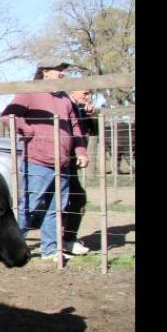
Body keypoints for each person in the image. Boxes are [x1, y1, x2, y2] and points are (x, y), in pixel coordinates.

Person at [0, 59, 89, 261]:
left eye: (63, 70)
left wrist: (81, 151)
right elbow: (7, 116)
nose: (62, 74)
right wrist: (28, 130)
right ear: (45, 72)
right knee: (29, 206)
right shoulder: (29, 91)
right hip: (38, 161)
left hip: (63, 162)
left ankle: (50, 250)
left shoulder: (64, 99)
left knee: (56, 207)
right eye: (59, 70)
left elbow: (75, 127)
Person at [61, 89, 99, 256]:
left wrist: (92, 116)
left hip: (71, 162)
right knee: (73, 198)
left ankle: (66, 240)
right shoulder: (62, 105)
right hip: (59, 160)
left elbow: (93, 131)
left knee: (75, 198)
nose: (88, 96)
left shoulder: (81, 110)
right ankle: (65, 240)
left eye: (89, 93)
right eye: (85, 92)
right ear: (73, 91)